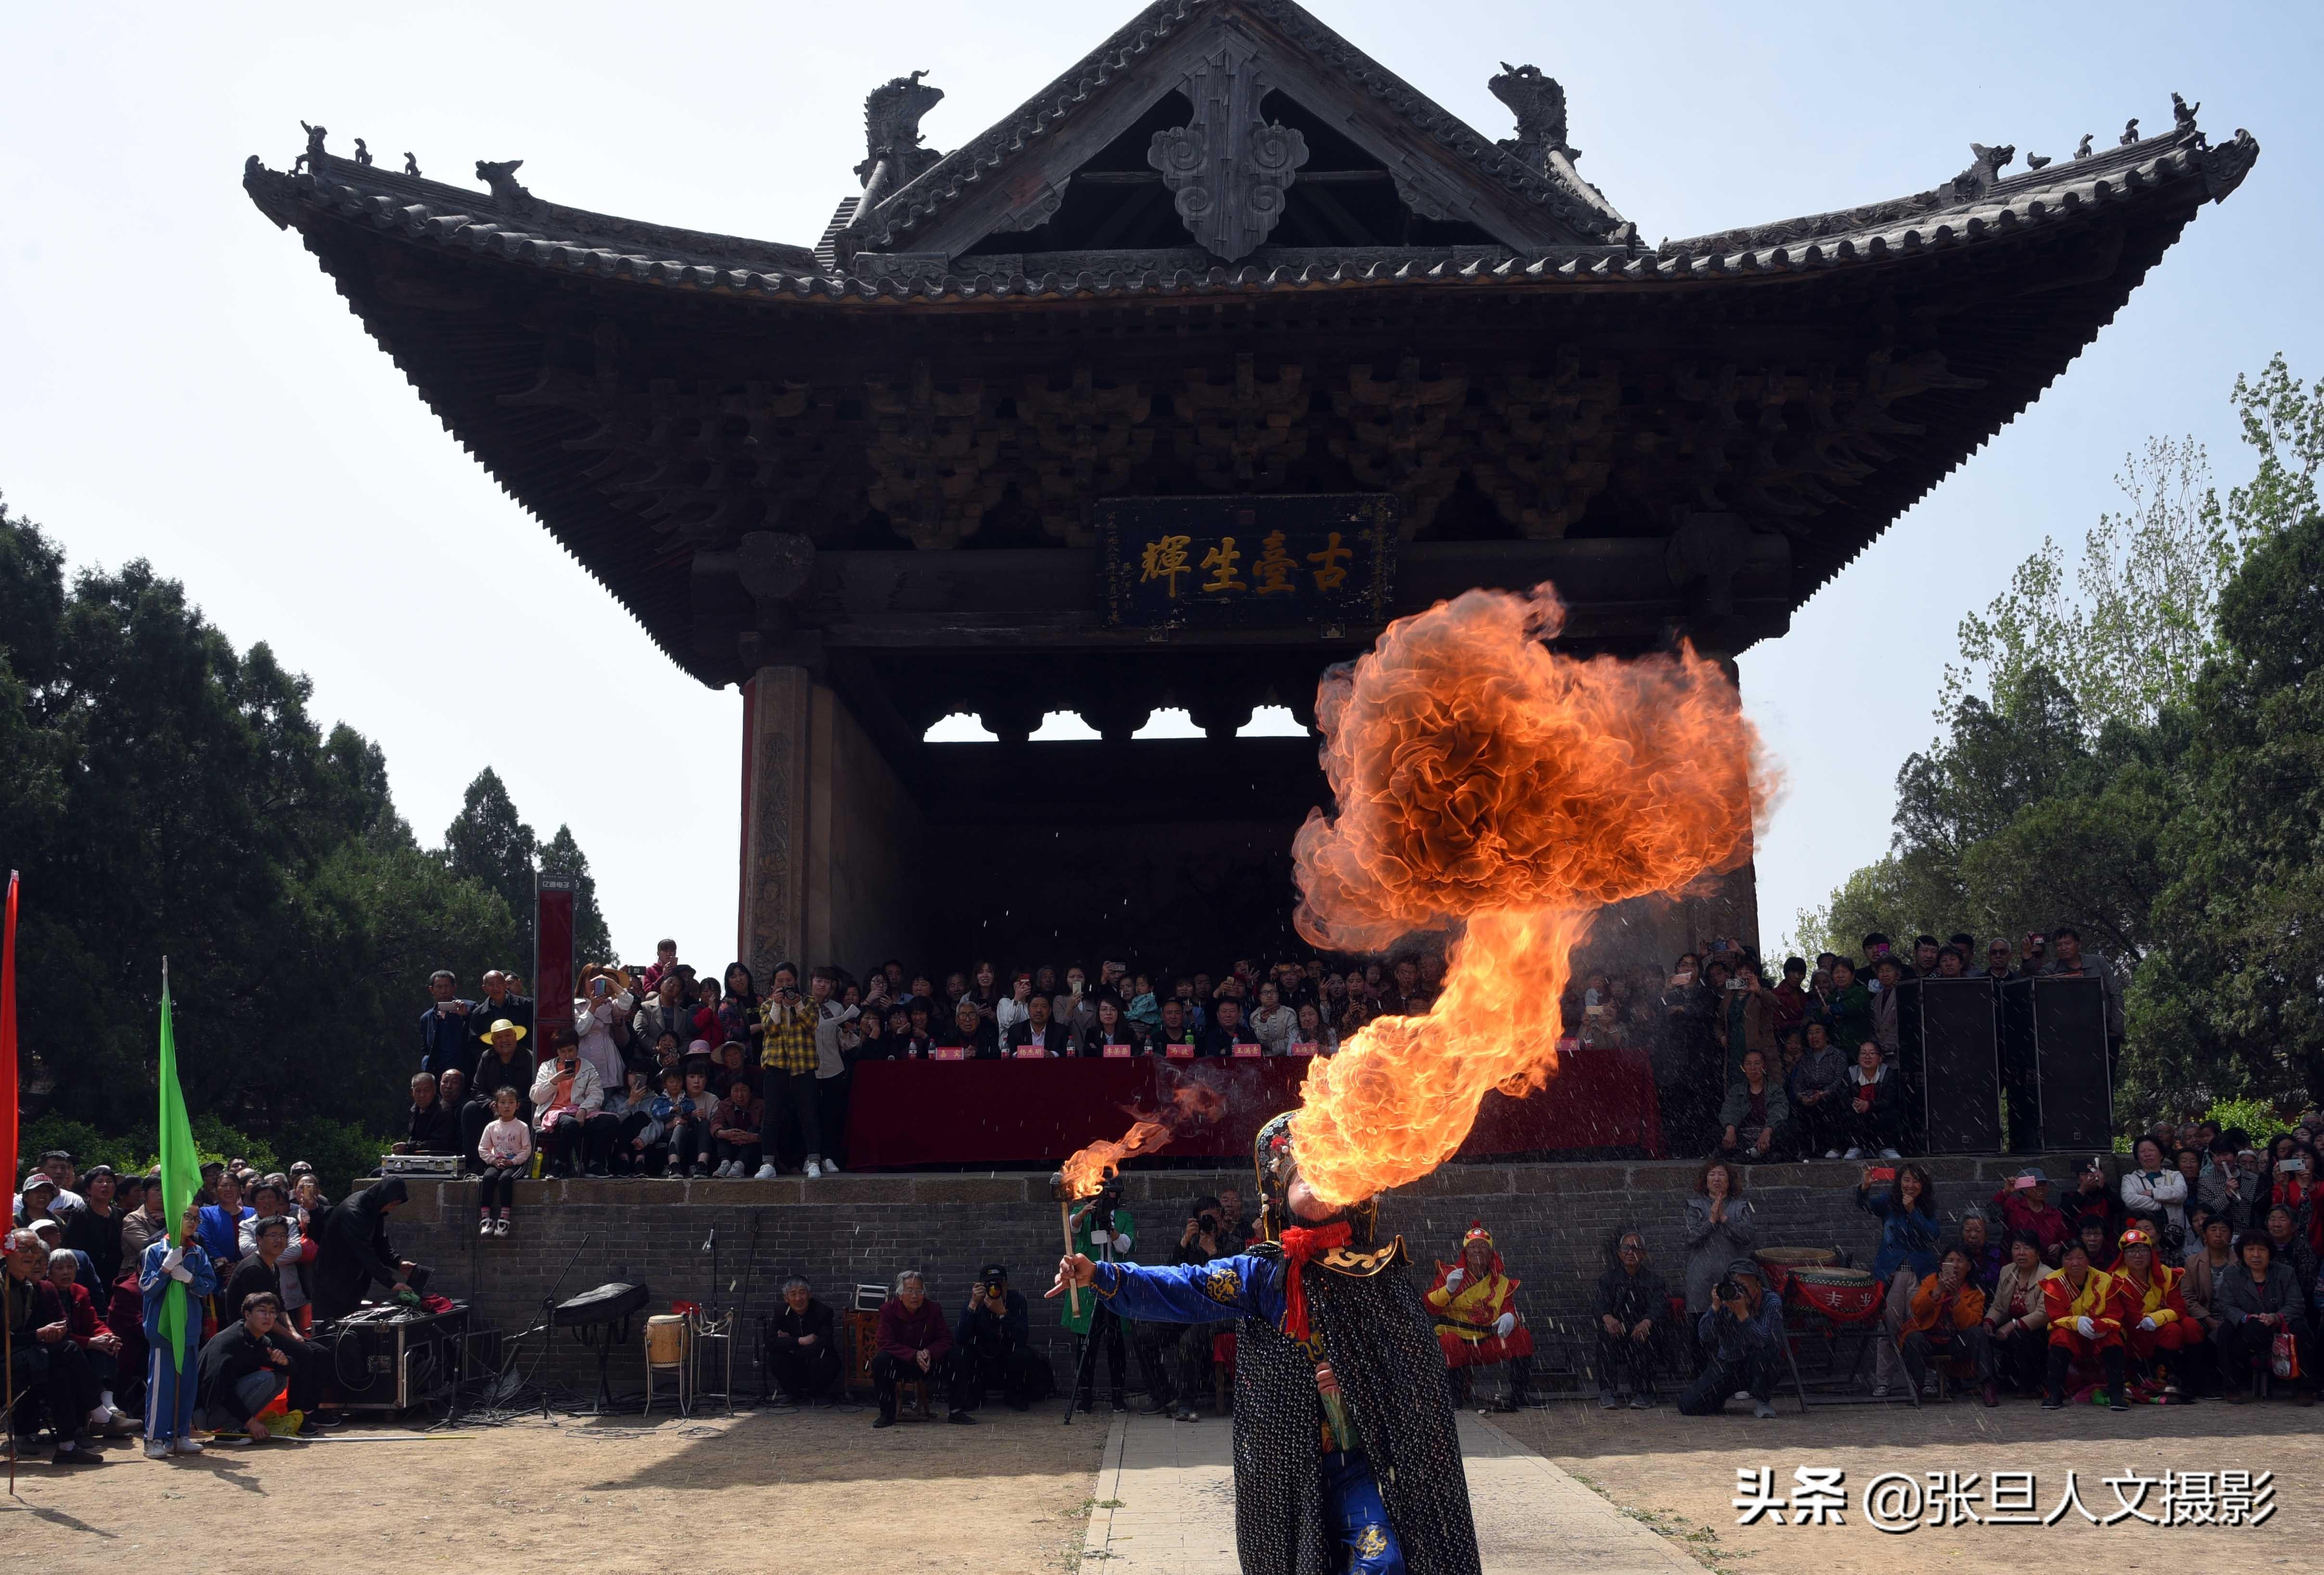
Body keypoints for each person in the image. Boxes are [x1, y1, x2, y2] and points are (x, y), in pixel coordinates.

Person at [1047, 1111, 1481, 1575]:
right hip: (1285, 1468)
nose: (1315, 1177)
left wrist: (1356, 1382)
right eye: (1303, 1170)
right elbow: (1186, 1287)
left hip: (1359, 1465)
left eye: (1325, 1167)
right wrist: (1102, 1274)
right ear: (1280, 1193)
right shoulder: (1262, 1274)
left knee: (1382, 1564)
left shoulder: (1379, 1273)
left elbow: (1419, 1373)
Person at [1424, 1223, 1534, 1412]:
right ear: (1465, 1252)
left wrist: (1510, 1318)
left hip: (1486, 1342)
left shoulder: (1502, 1283)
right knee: (1449, 1342)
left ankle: (1520, 1394)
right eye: (1473, 1247)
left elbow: (1510, 1310)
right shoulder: (1449, 1275)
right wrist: (1448, 1290)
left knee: (1522, 1337)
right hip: (1458, 1340)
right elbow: (1429, 1306)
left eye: (1483, 1247)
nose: (1478, 1251)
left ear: (1491, 1253)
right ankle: (1454, 1396)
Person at [140, 1207, 217, 1457]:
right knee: (162, 1387)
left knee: (187, 1385)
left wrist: (189, 1279)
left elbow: (208, 1285)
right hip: (163, 1330)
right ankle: (154, 1438)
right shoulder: (155, 1251)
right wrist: (165, 1270)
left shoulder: (198, 1252)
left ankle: (180, 1434)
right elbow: (148, 1288)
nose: (193, 1223)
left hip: (189, 1327)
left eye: (197, 1219)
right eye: (188, 1217)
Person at [1858, 1162, 1940, 1396]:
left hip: (1920, 1275)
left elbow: (1933, 1234)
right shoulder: (1888, 1203)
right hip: (1892, 1274)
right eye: (1906, 1180)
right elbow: (1863, 1205)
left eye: (1916, 1181)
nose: (1910, 1185)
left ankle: (1925, 1380)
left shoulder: (1926, 1207)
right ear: (1899, 1182)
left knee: (1919, 1326)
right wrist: (1864, 1187)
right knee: (1888, 1327)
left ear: (1923, 1186)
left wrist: (1914, 1210)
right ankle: (1883, 1381)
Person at [1061, 1182, 1139, 1414]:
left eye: (1111, 1190)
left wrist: (1110, 1227)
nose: (1106, 1195)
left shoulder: (1124, 1217)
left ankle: (1118, 1395)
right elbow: (1071, 1228)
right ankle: (1085, 1396)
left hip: (1114, 1284)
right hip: (1087, 1287)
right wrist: (1085, 1213)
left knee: (1116, 1343)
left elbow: (1126, 1246)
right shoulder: (1082, 1213)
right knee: (1086, 1344)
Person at [2211, 1231, 2313, 1404]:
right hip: (2248, 1327)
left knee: (2301, 1328)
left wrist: (2276, 1317)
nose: (2256, 1255)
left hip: (2280, 1325)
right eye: (2250, 1249)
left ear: (2270, 1253)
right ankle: (2232, 1387)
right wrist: (2247, 1318)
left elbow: (2296, 1304)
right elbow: (2227, 1306)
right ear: (2242, 1252)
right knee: (2225, 1331)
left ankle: (2305, 1388)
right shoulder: (2232, 1273)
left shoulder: (2285, 1273)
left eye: (2262, 1250)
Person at [1677, 1259, 1782, 1418]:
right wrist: (1715, 1307)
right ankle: (1718, 1398)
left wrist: (1743, 1315)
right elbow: (1705, 1336)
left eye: (1746, 1287)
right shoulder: (1726, 1298)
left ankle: (1762, 1400)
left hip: (1758, 1363)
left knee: (1769, 1349)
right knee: (1688, 1405)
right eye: (1737, 1287)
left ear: (1758, 1285)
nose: (1741, 1293)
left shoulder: (1771, 1302)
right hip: (1729, 1362)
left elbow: (1764, 1340)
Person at [871, 1270, 973, 1428]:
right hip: (901, 1363)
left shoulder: (933, 1309)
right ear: (900, 1294)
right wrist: (913, 1355)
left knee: (957, 1355)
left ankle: (956, 1411)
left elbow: (946, 1339)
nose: (915, 1296)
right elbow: (885, 1343)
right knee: (881, 1361)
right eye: (910, 1291)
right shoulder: (888, 1310)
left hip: (929, 1363)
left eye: (919, 1291)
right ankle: (887, 1415)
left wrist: (929, 1352)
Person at [309, 1178, 421, 1321]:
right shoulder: (354, 1213)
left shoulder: (374, 1209)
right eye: (393, 1204)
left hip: (353, 1284)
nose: (392, 1208)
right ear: (384, 1197)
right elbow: (365, 1252)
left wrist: (398, 1263)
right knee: (330, 1330)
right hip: (332, 1284)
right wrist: (391, 1283)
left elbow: (380, 1242)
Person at [197, 1292, 300, 1441]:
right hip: (204, 1413)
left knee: (280, 1379)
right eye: (262, 1311)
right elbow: (221, 1391)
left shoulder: (260, 1340)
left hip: (222, 1407)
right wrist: (252, 1423)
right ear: (247, 1315)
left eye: (272, 1312)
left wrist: (285, 1362)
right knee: (266, 1378)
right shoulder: (231, 1341)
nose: (268, 1317)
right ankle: (231, 1431)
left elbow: (291, 1370)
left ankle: (237, 1425)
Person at [760, 963, 830, 1177]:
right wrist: (778, 1005)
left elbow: (811, 1024)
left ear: (796, 982)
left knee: (809, 1115)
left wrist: (797, 1004)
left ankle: (814, 1160)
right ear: (773, 985)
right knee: (771, 1116)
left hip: (804, 1066)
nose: (785, 986)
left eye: (789, 982)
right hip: (776, 1065)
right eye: (780, 982)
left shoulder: (809, 1002)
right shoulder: (766, 1005)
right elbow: (769, 1028)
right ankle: (768, 1163)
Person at [2040, 1239, 2127, 1410]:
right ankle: (2055, 1394)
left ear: (2088, 1260)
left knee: (2113, 1337)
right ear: (2062, 1261)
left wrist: (2102, 1326)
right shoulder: (2053, 1281)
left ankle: (2116, 1393)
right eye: (2069, 1258)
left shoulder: (2105, 1280)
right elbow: (2055, 1316)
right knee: (2059, 1336)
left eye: (2080, 1258)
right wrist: (2077, 1322)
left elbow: (2114, 1313)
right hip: (2072, 1335)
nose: (2075, 1263)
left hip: (2099, 1334)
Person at [1682, 1160, 1755, 1363]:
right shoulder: (1694, 1206)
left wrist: (1724, 1218)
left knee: (1735, 1327)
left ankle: (1736, 1379)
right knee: (1701, 1329)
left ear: (1729, 1181)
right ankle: (1702, 1381)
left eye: (1721, 1175)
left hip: (1733, 1277)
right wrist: (1711, 1221)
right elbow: (1690, 1237)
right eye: (1712, 1175)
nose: (1716, 1179)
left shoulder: (1740, 1207)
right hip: (1701, 1278)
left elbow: (1747, 1236)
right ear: (1705, 1181)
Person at [2107, 1227, 2193, 1397]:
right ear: (2123, 1255)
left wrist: (2155, 1319)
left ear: (2151, 1252)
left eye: (2143, 1250)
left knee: (2175, 1330)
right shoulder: (2115, 1280)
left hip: (2156, 1329)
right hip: (2130, 1333)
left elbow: (2179, 1308)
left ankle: (2163, 1377)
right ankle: (2130, 1377)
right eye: (2132, 1250)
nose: (2138, 1255)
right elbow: (2132, 1318)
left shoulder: (2165, 1274)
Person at [1970, 1228, 2052, 1405]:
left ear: (2037, 1253)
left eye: (2027, 1248)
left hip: (2038, 1331)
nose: (2021, 1253)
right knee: (1982, 1334)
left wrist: (2013, 1324)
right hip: (2011, 1328)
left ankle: (2030, 1385)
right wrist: (1989, 1322)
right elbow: (1999, 1305)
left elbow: (2044, 1313)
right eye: (2017, 1248)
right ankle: (1989, 1382)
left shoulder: (2048, 1275)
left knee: (2019, 1336)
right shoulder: (2007, 1271)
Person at [958, 1264, 1050, 1412]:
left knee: (1023, 1354)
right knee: (962, 1352)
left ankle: (1014, 1395)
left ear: (1006, 1285)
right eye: (989, 1285)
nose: (994, 1289)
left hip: (1008, 1357)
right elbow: (961, 1338)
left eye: (999, 1284)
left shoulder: (1017, 1301)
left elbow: (1022, 1338)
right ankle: (975, 1395)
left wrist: (1003, 1313)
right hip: (983, 1358)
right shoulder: (976, 1302)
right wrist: (973, 1305)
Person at [1592, 1228, 1667, 1409]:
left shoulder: (1655, 1281)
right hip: (1617, 1329)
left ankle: (1645, 1392)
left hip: (1643, 1329)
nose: (1630, 1253)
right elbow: (1599, 1303)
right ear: (1619, 1253)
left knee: (1644, 1339)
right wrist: (1608, 1318)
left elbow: (1660, 1306)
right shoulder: (1608, 1279)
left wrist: (1647, 1322)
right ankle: (1607, 1392)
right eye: (1626, 1248)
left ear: (1644, 1254)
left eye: (1636, 1248)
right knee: (1605, 1339)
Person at [1896, 1246, 1985, 1397]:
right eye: (1951, 1261)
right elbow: (1916, 1309)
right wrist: (1937, 1291)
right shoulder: (1931, 1281)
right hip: (1930, 1338)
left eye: (1960, 1261)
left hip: (1955, 1342)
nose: (1955, 1266)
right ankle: (1916, 1388)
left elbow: (1971, 1323)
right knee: (1913, 1338)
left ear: (1969, 1266)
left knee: (1978, 1333)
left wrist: (1956, 1296)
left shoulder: (1974, 1290)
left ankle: (1985, 1385)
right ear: (1943, 1265)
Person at [530, 1031, 613, 1178]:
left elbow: (596, 1094)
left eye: (571, 1050)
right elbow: (536, 1097)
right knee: (570, 1124)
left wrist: (583, 1110)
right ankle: (560, 1165)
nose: (567, 1055)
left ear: (577, 1048)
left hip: (580, 1112)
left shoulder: (588, 1067)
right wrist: (554, 1081)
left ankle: (594, 1165)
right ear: (557, 1052)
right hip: (554, 1113)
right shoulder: (547, 1067)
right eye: (563, 1052)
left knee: (610, 1121)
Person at [464, 1017, 534, 1172]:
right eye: (499, 1038)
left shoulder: (529, 1057)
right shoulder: (486, 1057)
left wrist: (514, 1106)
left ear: (515, 1036)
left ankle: (524, 1163)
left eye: (508, 1036)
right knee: (470, 1109)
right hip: (493, 1109)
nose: (504, 1041)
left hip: (521, 1108)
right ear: (493, 1042)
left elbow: (536, 1091)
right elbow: (477, 1089)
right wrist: (492, 1104)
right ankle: (475, 1165)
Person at [764, 1278, 842, 1405]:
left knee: (826, 1360)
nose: (798, 1299)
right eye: (793, 1294)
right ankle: (793, 1394)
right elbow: (770, 1342)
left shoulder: (823, 1312)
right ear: (786, 1298)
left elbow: (824, 1344)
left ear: (810, 1295)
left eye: (802, 1293)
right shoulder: (781, 1312)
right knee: (775, 1358)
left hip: (816, 1362)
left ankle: (818, 1394)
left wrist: (789, 1344)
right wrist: (800, 1341)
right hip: (795, 1364)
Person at [474, 1085, 533, 1235]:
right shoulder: (491, 1127)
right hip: (497, 1162)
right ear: (496, 1105)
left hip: (515, 1164)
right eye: (503, 1102)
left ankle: (504, 1220)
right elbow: (483, 1148)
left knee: (505, 1179)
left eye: (511, 1102)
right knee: (488, 1178)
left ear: (517, 1105)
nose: (507, 1106)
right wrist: (493, 1161)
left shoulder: (522, 1127)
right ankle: (486, 1219)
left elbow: (526, 1150)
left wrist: (513, 1162)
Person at [1714, 1048, 1790, 1162]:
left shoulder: (1775, 1090)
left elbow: (1779, 1112)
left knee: (1790, 1128)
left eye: (1757, 1064)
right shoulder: (1737, 1090)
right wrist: (1730, 1130)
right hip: (1742, 1137)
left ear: (1764, 1067)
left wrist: (1767, 1133)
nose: (1753, 1068)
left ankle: (1750, 1154)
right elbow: (1729, 1110)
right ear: (1743, 1068)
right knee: (1717, 1132)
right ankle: (1752, 1154)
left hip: (1768, 1137)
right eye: (1748, 1064)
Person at [1786, 1021, 1849, 1159]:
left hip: (1831, 1095)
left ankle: (1834, 1147)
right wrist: (1802, 1096)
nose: (1814, 1036)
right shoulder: (1805, 1058)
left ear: (1826, 1036)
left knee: (1829, 1106)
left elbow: (1840, 1081)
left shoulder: (1838, 1055)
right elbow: (1798, 1082)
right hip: (1810, 1096)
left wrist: (1823, 1094)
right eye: (1810, 1033)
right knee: (1798, 1108)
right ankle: (1805, 1150)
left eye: (1817, 1032)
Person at [1991, 1168, 2071, 1263]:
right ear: (2024, 1189)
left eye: (2044, 1184)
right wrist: (2006, 1192)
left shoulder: (2054, 1214)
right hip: (2014, 1264)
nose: (2041, 1188)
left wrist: (2059, 1246)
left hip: (2045, 1266)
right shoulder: (2013, 1206)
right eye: (2035, 1185)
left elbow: (2065, 1238)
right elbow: (1993, 1214)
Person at [64, 1165, 126, 1289]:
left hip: (114, 1274)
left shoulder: (119, 1214)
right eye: (99, 1181)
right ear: (88, 1189)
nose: (105, 1185)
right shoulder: (79, 1214)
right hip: (88, 1275)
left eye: (110, 1182)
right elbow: (73, 1248)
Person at [1839, 1041, 1902, 1158]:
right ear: (1858, 1058)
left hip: (1879, 1112)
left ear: (1880, 1058)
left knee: (1890, 1113)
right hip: (1858, 1113)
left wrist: (1869, 1105)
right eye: (1863, 1053)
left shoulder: (1889, 1074)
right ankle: (1856, 1147)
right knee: (1848, 1114)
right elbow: (1843, 1097)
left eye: (1872, 1053)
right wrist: (1855, 1103)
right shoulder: (1850, 1073)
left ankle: (1886, 1148)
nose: (1867, 1057)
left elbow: (1890, 1100)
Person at [419, 968, 475, 1082]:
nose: (443, 991)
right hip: (440, 1078)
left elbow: (480, 1033)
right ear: (431, 990)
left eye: (447, 987)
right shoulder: (427, 1018)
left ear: (455, 987)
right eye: (439, 987)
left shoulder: (470, 1007)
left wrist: (466, 1016)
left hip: (467, 1074)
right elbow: (426, 1049)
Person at [1006, 991, 1073, 1057]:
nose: (1039, 1010)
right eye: (1035, 1006)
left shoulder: (1061, 1030)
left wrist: (1053, 1055)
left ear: (1050, 1011)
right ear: (1028, 1010)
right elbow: (1007, 1052)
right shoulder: (1016, 1030)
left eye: (1044, 1007)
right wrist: (1018, 1054)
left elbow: (1073, 1052)